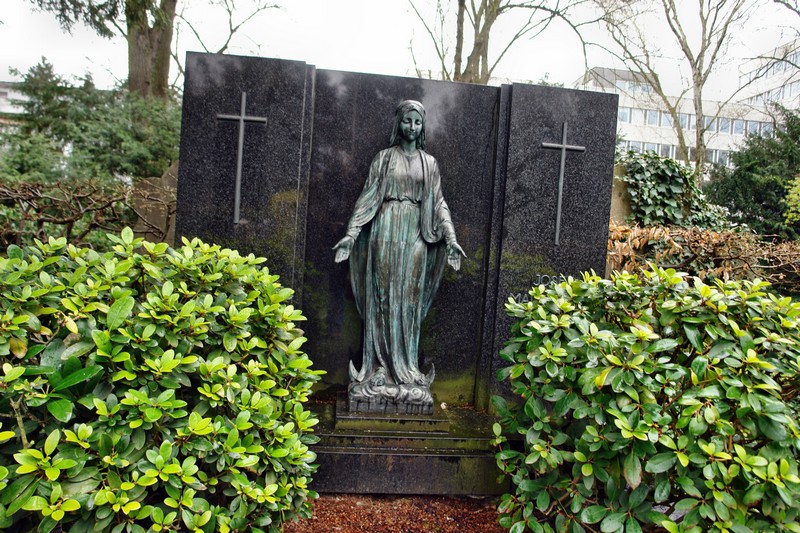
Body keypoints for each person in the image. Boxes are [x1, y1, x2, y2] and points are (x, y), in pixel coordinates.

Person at [333, 100, 465, 391]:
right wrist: (351, 235)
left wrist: (451, 239)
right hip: (385, 229)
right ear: (399, 123)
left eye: (418, 122)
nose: (412, 127)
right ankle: (378, 368)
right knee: (382, 297)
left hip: (416, 233)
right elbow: (368, 197)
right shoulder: (383, 159)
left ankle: (407, 368)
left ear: (423, 126)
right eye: (408, 120)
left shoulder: (429, 163)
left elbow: (439, 203)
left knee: (409, 300)